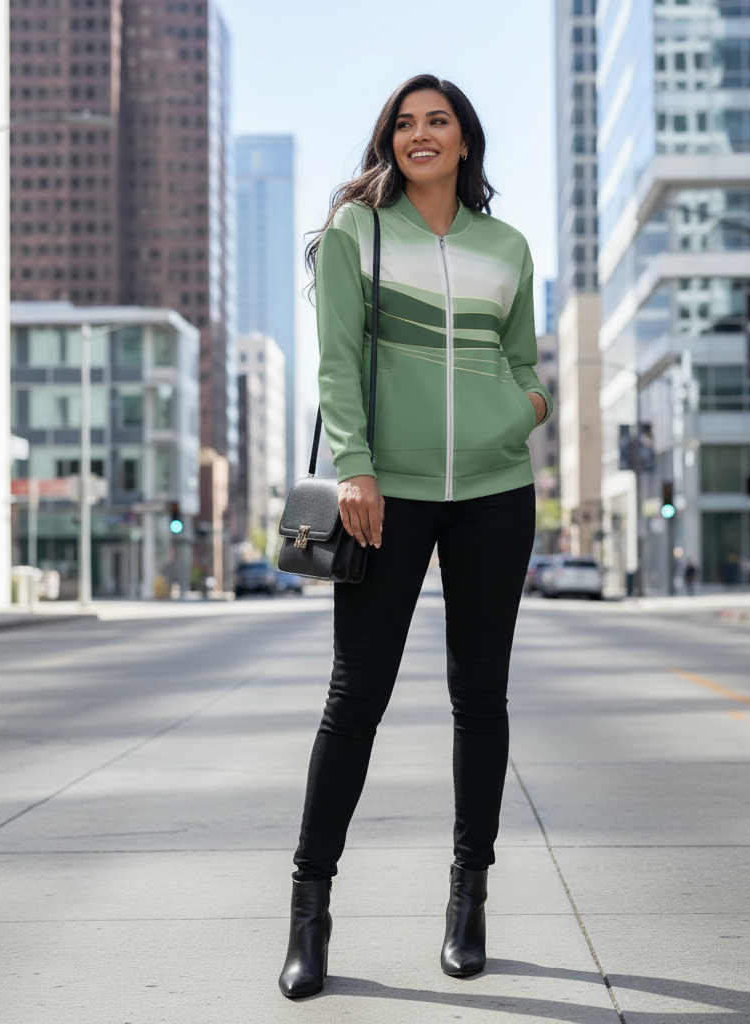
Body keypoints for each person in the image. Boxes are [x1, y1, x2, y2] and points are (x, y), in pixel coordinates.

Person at [278, 74, 553, 999]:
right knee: (355, 698)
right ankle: (309, 915)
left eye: (437, 122)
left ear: (465, 141)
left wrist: (527, 408)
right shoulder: (360, 229)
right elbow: (338, 360)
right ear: (389, 141)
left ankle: (468, 902)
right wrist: (354, 466)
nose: (419, 135)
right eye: (404, 123)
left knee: (482, 699)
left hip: (494, 491)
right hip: (380, 495)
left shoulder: (507, 246)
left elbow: (523, 357)